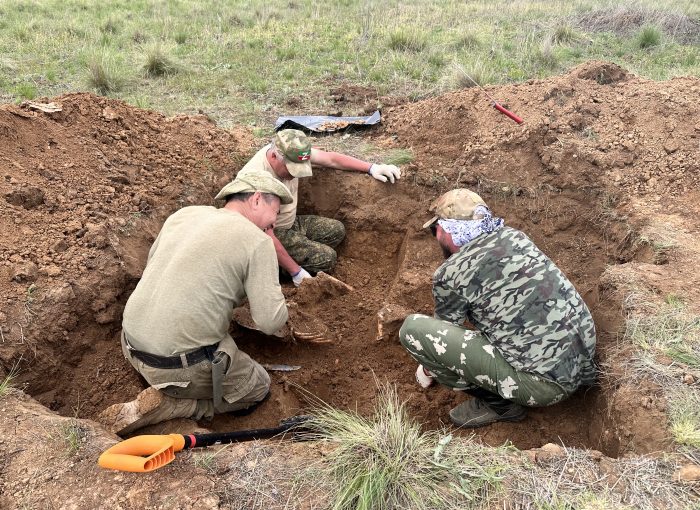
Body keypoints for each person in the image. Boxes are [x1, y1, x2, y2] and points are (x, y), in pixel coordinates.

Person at [99, 170, 294, 435]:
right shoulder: (257, 241)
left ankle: (169, 386)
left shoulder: (185, 214)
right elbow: (270, 323)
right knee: (258, 387)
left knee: (214, 333)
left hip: (131, 344)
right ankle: (178, 406)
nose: (274, 224)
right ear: (257, 200)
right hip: (177, 366)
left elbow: (159, 268)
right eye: (276, 212)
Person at [399, 189, 597, 428]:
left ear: (451, 230)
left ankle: (501, 407)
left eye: (437, 228)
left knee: (412, 330)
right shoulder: (515, 237)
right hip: (585, 357)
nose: (436, 234)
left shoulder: (450, 274)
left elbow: (442, 334)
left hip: (545, 387)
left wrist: (429, 367)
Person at [237, 129, 401, 286]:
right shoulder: (255, 180)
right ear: (274, 156)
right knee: (327, 258)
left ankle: (290, 257)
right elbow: (266, 236)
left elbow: (331, 159)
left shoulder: (291, 150)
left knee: (336, 230)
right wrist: (296, 272)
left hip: (288, 223)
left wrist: (372, 168)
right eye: (291, 169)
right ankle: (270, 268)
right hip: (267, 235)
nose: (295, 174)